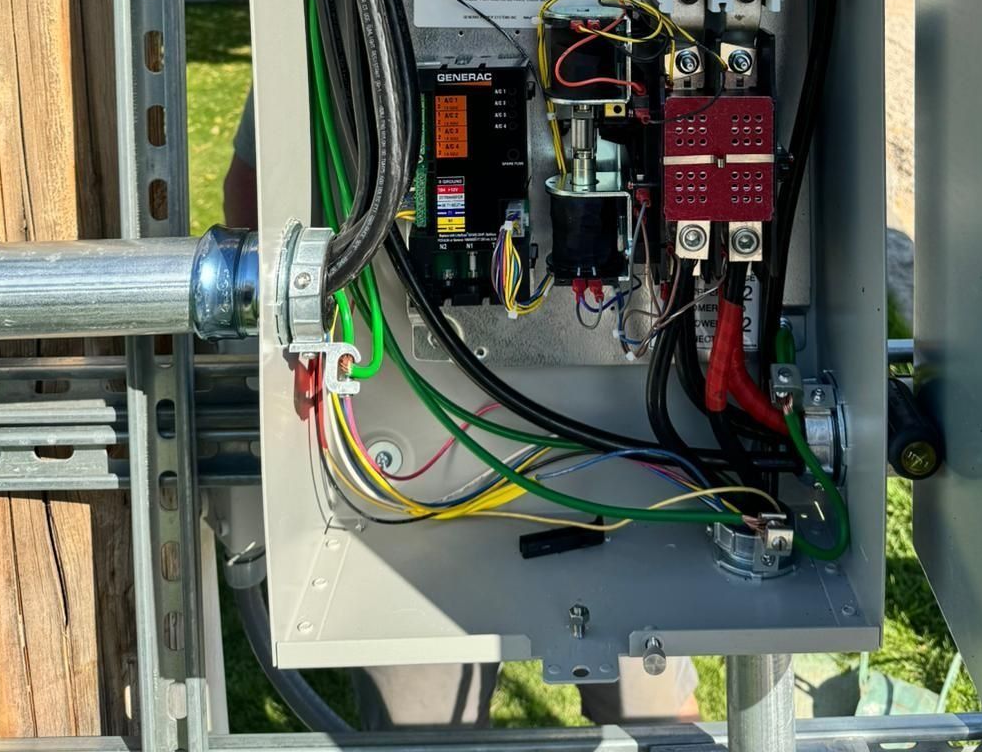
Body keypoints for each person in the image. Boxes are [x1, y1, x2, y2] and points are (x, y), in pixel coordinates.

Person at [224, 93, 700, 728]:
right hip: (405, 515)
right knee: (423, 734)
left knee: (660, 723)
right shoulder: (338, 20)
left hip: (627, 484)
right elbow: (257, 189)